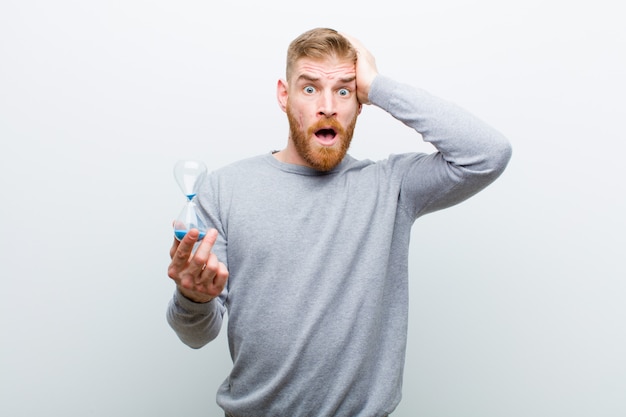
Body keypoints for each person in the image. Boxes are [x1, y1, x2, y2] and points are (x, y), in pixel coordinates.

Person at [166, 27, 512, 417]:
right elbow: (196, 335)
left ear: (360, 103)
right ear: (284, 95)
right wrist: (193, 297)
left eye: (344, 91)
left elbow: (488, 153)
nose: (327, 106)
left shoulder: (391, 187)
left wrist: (379, 86)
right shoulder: (224, 189)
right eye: (310, 88)